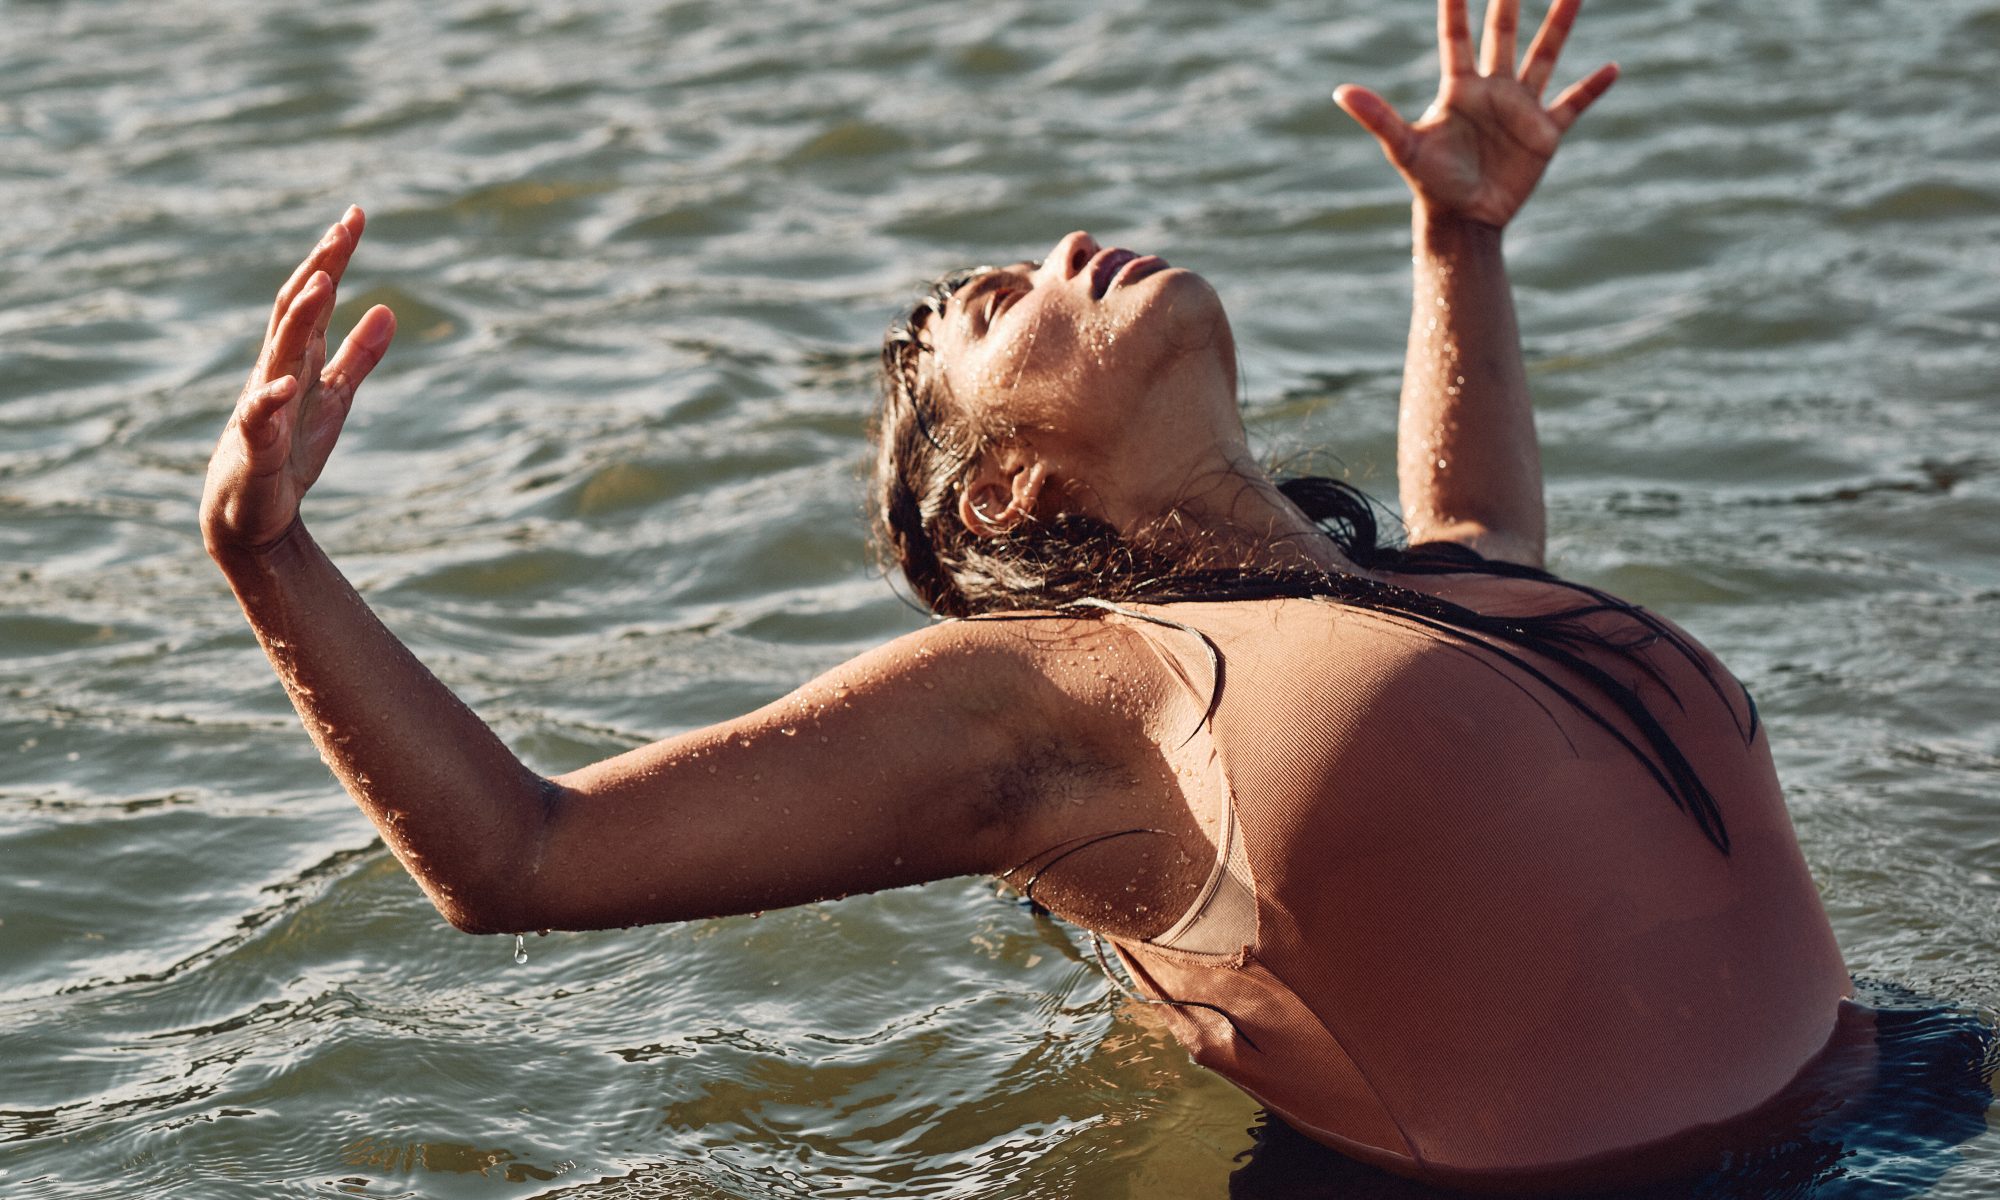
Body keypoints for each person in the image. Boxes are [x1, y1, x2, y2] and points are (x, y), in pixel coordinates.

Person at [198, 0, 1859, 1191]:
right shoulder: (1071, 694)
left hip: (1901, 1109)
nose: (1071, 245)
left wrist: (1458, 237)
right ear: (1005, 489)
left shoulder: (1434, 592)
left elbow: (1482, 514)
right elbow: (521, 856)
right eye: (1010, 300)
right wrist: (270, 554)